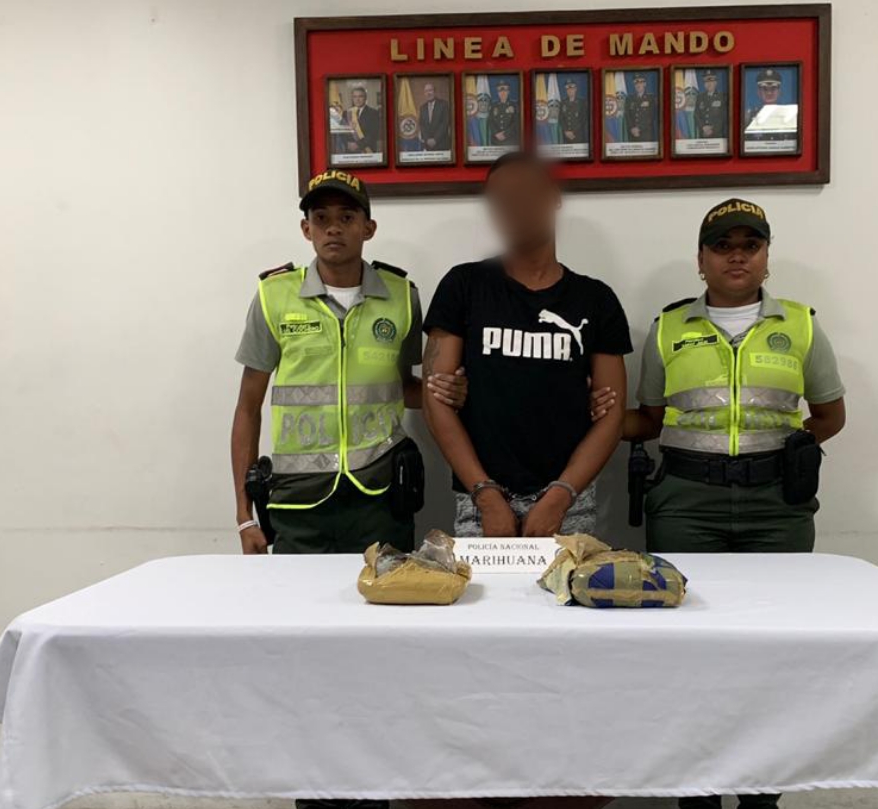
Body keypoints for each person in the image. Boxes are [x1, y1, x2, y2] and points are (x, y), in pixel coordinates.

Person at [611, 198, 846, 809]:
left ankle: (763, 794)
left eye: (750, 245)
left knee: (775, 650)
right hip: (687, 502)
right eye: (722, 246)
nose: (736, 256)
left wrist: (780, 455)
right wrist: (589, 414)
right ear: (701, 260)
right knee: (690, 651)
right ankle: (698, 794)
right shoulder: (668, 329)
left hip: (777, 505)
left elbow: (829, 415)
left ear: (767, 257)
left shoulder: (801, 325)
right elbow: (649, 420)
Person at [230, 168, 466, 562]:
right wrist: (244, 517)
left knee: (384, 597)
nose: (333, 228)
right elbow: (247, 408)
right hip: (299, 499)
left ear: (368, 228)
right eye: (321, 218)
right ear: (306, 229)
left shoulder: (401, 297)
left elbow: (402, 387)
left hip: (380, 496)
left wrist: (444, 391)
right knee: (297, 600)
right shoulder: (274, 297)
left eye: (347, 217)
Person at [422, 152, 631, 538]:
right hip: (480, 499)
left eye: (528, 192)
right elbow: (435, 399)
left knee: (568, 582)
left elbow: (612, 415)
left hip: (568, 500)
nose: (517, 206)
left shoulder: (596, 300)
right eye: (503, 199)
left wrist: (559, 497)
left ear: (554, 197)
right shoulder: (463, 286)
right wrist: (486, 496)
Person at [346, 85, 381, 154]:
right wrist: (347, 144)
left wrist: (358, 145)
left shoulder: (373, 113)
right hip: (350, 152)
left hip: (367, 150)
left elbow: (373, 134)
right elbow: (343, 132)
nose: (357, 99)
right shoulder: (347, 113)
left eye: (360, 96)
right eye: (355, 97)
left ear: (365, 98)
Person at [693, 70, 727, 139]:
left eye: (711, 81)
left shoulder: (722, 97)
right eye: (706, 81)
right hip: (703, 135)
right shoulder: (700, 97)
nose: (708, 84)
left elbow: (724, 117)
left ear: (716, 82)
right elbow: (696, 115)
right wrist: (703, 127)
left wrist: (712, 129)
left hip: (718, 135)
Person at [419, 81, 451, 151]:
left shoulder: (444, 104)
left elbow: (445, 123)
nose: (428, 93)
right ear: (424, 93)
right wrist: (427, 139)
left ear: (434, 92)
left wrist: (435, 139)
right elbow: (422, 125)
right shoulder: (422, 108)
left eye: (430, 90)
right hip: (428, 146)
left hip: (442, 144)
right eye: (426, 91)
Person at [625, 73, 657, 142]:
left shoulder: (651, 98)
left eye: (641, 82)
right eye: (636, 83)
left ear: (645, 84)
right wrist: (632, 129)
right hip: (632, 134)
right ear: (634, 85)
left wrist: (639, 128)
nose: (638, 85)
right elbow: (627, 116)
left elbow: (652, 116)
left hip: (646, 134)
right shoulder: (629, 99)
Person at [489, 79, 519, 146]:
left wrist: (505, 134)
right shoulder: (493, 106)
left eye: (505, 90)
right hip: (496, 140)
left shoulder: (515, 105)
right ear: (497, 93)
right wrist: (496, 133)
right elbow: (490, 121)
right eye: (500, 91)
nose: (502, 93)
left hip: (510, 140)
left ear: (508, 92)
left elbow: (516, 122)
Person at [559, 77, 588, 143]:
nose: (570, 91)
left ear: (575, 89)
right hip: (566, 136)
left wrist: (573, 132)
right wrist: (566, 131)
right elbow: (561, 118)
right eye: (568, 89)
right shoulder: (563, 103)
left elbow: (584, 119)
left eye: (572, 89)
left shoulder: (582, 102)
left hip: (578, 136)